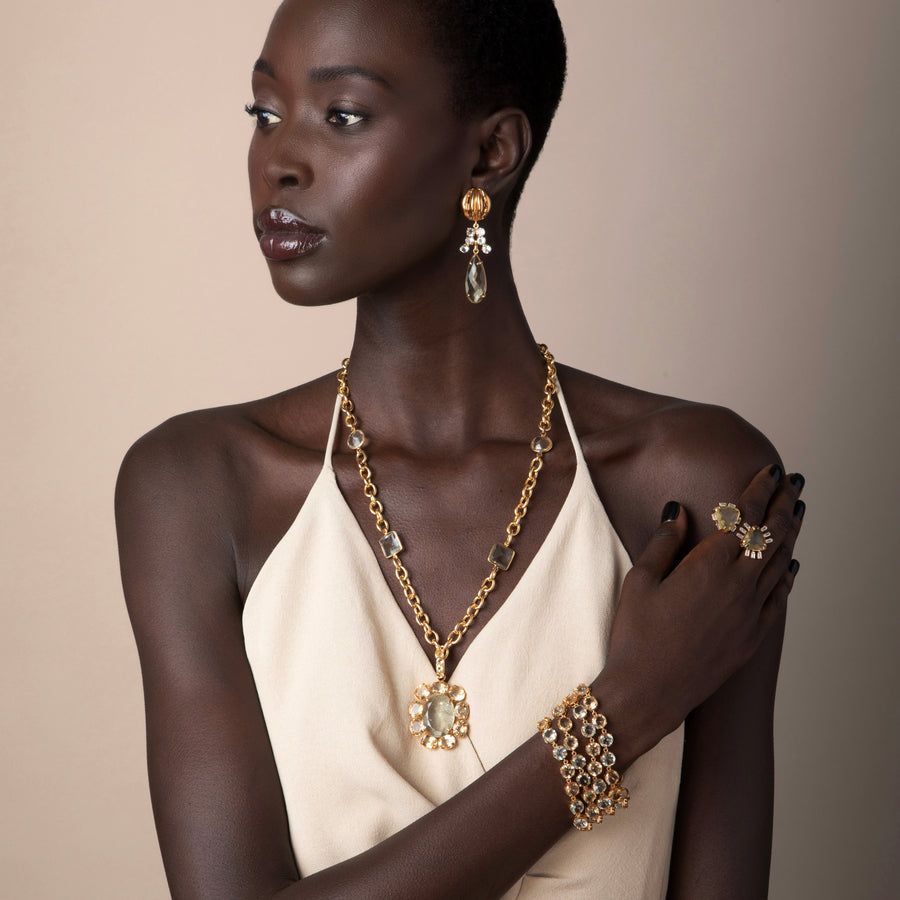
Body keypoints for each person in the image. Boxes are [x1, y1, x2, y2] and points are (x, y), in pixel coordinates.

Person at [115, 1, 805, 897]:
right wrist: (624, 711)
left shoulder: (693, 482)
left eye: (344, 115)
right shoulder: (197, 488)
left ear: (490, 153)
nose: (277, 162)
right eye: (264, 112)